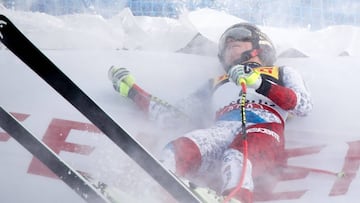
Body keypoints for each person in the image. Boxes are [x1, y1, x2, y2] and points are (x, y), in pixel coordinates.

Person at [108, 23, 312, 203]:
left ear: (259, 45)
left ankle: (238, 199)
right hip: (222, 129)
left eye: (239, 36)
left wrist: (259, 84)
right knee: (177, 149)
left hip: (265, 129)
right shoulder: (216, 82)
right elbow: (175, 117)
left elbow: (303, 105)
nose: (230, 41)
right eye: (225, 43)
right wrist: (134, 92)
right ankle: (150, 197)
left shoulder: (281, 72)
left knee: (236, 156)